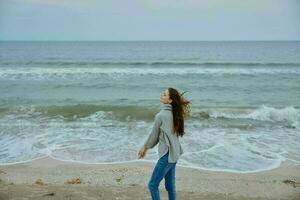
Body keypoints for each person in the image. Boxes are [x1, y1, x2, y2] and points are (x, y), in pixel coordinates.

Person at [138, 87, 190, 200]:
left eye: (165, 94)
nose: (162, 95)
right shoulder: (177, 115)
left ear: (170, 100)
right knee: (170, 186)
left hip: (167, 155)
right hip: (175, 154)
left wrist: (145, 147)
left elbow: (154, 135)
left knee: (152, 185)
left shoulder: (161, 115)